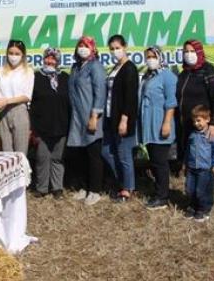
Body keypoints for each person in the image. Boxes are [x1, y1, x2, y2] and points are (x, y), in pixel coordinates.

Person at [67, 36, 107, 206]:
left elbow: (100, 92)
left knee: (93, 154)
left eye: (86, 46)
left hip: (91, 117)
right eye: (80, 46)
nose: (82, 48)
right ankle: (84, 187)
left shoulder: (95, 66)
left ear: (92, 48)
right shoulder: (76, 67)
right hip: (77, 117)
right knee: (80, 153)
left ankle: (95, 190)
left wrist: (94, 116)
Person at [175, 39, 214, 174]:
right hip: (187, 121)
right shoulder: (184, 73)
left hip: (203, 122)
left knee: (207, 149)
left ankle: (210, 175)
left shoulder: (208, 71)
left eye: (192, 51)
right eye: (186, 51)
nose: (189, 54)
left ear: (199, 52)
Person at [139, 46, 178, 210]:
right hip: (149, 125)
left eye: (153, 56)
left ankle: (162, 197)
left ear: (160, 57)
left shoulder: (167, 76)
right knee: (154, 161)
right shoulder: (148, 76)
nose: (150, 59)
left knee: (160, 162)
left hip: (161, 123)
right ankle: (159, 192)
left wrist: (167, 123)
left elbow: (171, 102)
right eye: (147, 56)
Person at [101, 35, 139, 202]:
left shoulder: (129, 68)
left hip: (123, 119)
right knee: (106, 151)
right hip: (110, 117)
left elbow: (130, 98)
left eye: (117, 47)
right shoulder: (116, 67)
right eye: (112, 48)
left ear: (125, 47)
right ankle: (122, 181)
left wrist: (124, 120)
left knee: (124, 155)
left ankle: (127, 189)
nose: (115, 51)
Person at [30, 48, 70, 198]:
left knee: (58, 158)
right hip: (42, 126)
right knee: (42, 158)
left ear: (58, 61)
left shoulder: (65, 78)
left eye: (53, 59)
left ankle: (57, 188)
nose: (50, 61)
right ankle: (42, 188)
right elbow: (32, 103)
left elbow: (69, 101)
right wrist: (33, 127)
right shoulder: (35, 77)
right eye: (47, 58)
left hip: (61, 125)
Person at [0, 40, 34, 154]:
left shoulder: (27, 71)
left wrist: (7, 101)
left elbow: (27, 96)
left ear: (23, 55)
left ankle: (22, 172)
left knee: (20, 153)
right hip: (3, 112)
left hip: (19, 110)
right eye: (11, 53)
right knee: (6, 152)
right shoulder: (0, 71)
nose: (13, 56)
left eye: (17, 54)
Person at [185, 105, 214, 222]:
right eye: (194, 121)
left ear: (207, 119)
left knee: (201, 190)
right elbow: (188, 150)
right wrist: (185, 163)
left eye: (199, 120)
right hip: (191, 167)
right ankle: (192, 206)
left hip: (204, 168)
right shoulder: (192, 135)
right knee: (189, 189)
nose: (196, 123)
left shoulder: (210, 135)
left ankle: (203, 209)